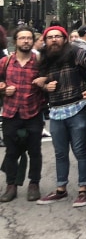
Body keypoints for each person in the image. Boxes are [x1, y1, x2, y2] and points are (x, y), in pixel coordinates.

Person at [34, 26, 86, 208]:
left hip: (77, 109)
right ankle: (61, 189)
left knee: (79, 151)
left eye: (58, 36)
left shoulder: (76, 54)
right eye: (50, 37)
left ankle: (83, 190)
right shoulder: (44, 59)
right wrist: (45, 86)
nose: (54, 40)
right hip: (55, 111)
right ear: (45, 41)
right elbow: (42, 81)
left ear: (65, 39)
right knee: (60, 153)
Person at [0, 27, 46, 203]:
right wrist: (3, 88)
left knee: (35, 151)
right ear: (15, 41)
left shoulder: (40, 61)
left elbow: (48, 80)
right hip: (11, 113)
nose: (26, 41)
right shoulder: (5, 62)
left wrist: (44, 81)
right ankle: (11, 185)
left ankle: (34, 184)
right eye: (22, 38)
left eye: (28, 38)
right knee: (11, 152)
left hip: (33, 112)